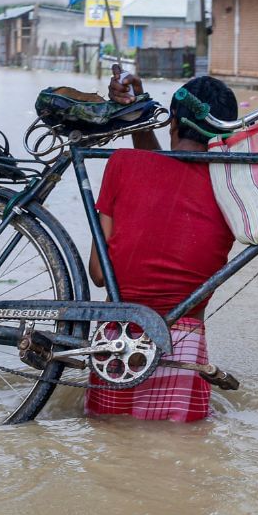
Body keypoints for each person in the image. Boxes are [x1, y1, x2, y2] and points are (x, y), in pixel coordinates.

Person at [85, 69, 238, 423]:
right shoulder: (233, 189)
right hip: (184, 349)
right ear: (229, 138)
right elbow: (179, 179)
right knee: (182, 460)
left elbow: (98, 272)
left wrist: (140, 117)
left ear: (172, 126)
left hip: (116, 345)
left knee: (107, 444)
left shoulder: (123, 164)